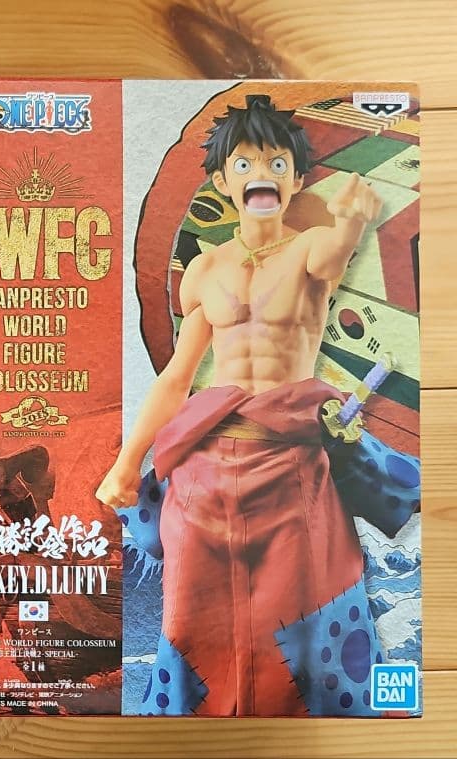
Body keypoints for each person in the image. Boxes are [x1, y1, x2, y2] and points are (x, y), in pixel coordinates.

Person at [96, 94, 391, 715]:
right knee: (188, 619)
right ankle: (185, 729)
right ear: (222, 181)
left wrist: (353, 220)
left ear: (296, 179)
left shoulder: (311, 249)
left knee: (299, 618)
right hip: (204, 471)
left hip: (289, 469)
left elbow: (334, 252)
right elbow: (176, 378)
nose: (264, 173)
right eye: (246, 163)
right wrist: (125, 465)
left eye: (279, 163)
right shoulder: (205, 270)